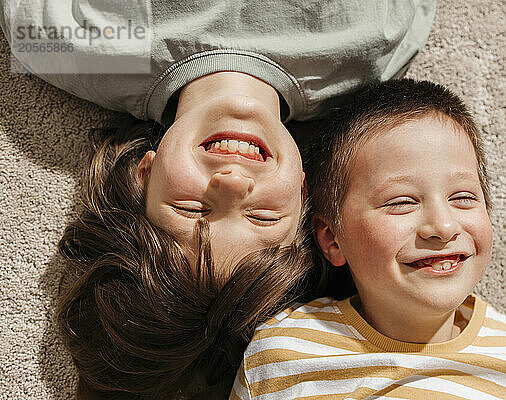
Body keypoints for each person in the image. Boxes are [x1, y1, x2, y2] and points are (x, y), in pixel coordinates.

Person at [0, 2, 436, 398]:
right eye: (263, 217)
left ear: (143, 176)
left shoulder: (63, 38)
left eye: (191, 210)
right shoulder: (372, 44)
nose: (231, 184)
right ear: (305, 192)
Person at [230, 79, 506, 400]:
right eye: (401, 202)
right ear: (332, 239)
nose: (442, 227)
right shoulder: (283, 354)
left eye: (463, 198)